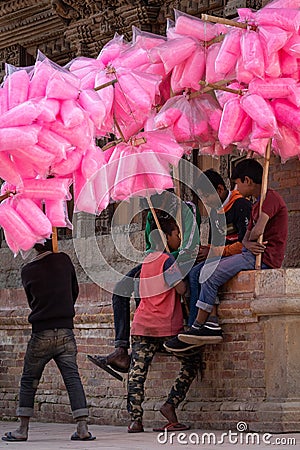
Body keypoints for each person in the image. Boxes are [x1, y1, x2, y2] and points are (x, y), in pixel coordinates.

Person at [170, 158, 288, 347]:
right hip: (248, 253)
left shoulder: (268, 199)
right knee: (200, 273)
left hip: (263, 257)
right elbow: (250, 233)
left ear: (247, 181)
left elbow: (257, 231)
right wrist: (247, 241)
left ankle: (200, 324)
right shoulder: (257, 203)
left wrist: (247, 242)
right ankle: (206, 323)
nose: (236, 187)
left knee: (207, 274)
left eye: (237, 183)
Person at [88, 189, 201, 374]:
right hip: (156, 261)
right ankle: (121, 349)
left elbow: (189, 248)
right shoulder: (151, 216)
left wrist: (165, 260)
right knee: (121, 289)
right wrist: (155, 262)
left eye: (155, 208)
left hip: (181, 261)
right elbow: (150, 249)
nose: (152, 214)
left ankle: (159, 336)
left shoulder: (187, 210)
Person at [1, 240, 95, 442]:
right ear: (53, 240)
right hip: (65, 331)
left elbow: (31, 299)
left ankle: (23, 429)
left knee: (29, 380)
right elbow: (74, 290)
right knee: (72, 378)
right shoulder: (64, 260)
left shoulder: (28, 270)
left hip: (41, 332)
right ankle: (82, 427)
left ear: (34, 245)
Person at [127, 217, 202, 433]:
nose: (178, 238)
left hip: (142, 326)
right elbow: (180, 290)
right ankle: (170, 405)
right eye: (176, 234)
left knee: (137, 374)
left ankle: (135, 420)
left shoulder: (146, 262)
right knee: (191, 362)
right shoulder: (167, 261)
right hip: (165, 327)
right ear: (166, 237)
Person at [165, 169, 252, 352]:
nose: (206, 203)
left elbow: (246, 244)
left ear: (219, 190)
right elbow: (215, 244)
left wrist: (215, 251)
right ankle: (190, 323)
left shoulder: (241, 206)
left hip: (237, 256)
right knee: (191, 270)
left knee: (200, 273)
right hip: (220, 256)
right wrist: (205, 251)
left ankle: (197, 325)